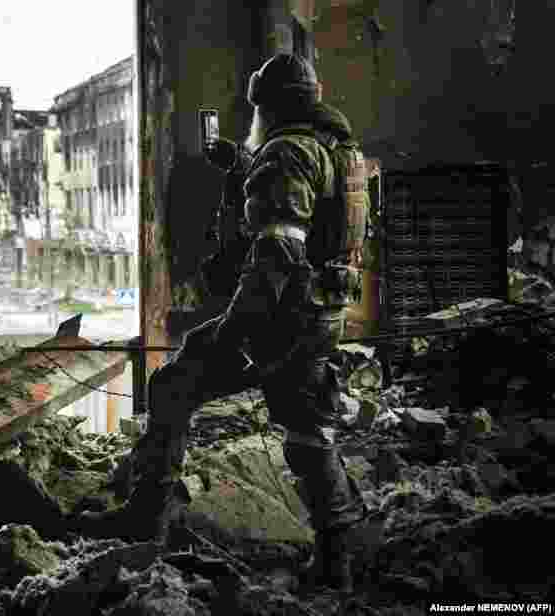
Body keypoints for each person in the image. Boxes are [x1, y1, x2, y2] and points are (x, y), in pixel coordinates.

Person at [71, 53, 371, 592]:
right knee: (309, 430)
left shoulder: (286, 153)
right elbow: (307, 206)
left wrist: (235, 331)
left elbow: (276, 251)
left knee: (172, 386)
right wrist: (241, 163)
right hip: (321, 315)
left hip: (275, 319)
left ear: (270, 105)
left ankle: (146, 521)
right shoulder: (337, 150)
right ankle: (338, 558)